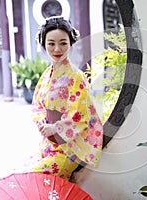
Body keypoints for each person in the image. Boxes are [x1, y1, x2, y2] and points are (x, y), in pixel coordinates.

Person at [27, 16, 103, 181]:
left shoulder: (76, 76)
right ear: (44, 44)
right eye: (51, 43)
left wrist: (54, 128)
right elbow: (37, 106)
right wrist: (42, 124)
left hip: (69, 147)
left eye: (63, 43)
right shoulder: (47, 74)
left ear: (70, 43)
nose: (57, 49)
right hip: (49, 143)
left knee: (35, 176)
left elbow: (83, 116)